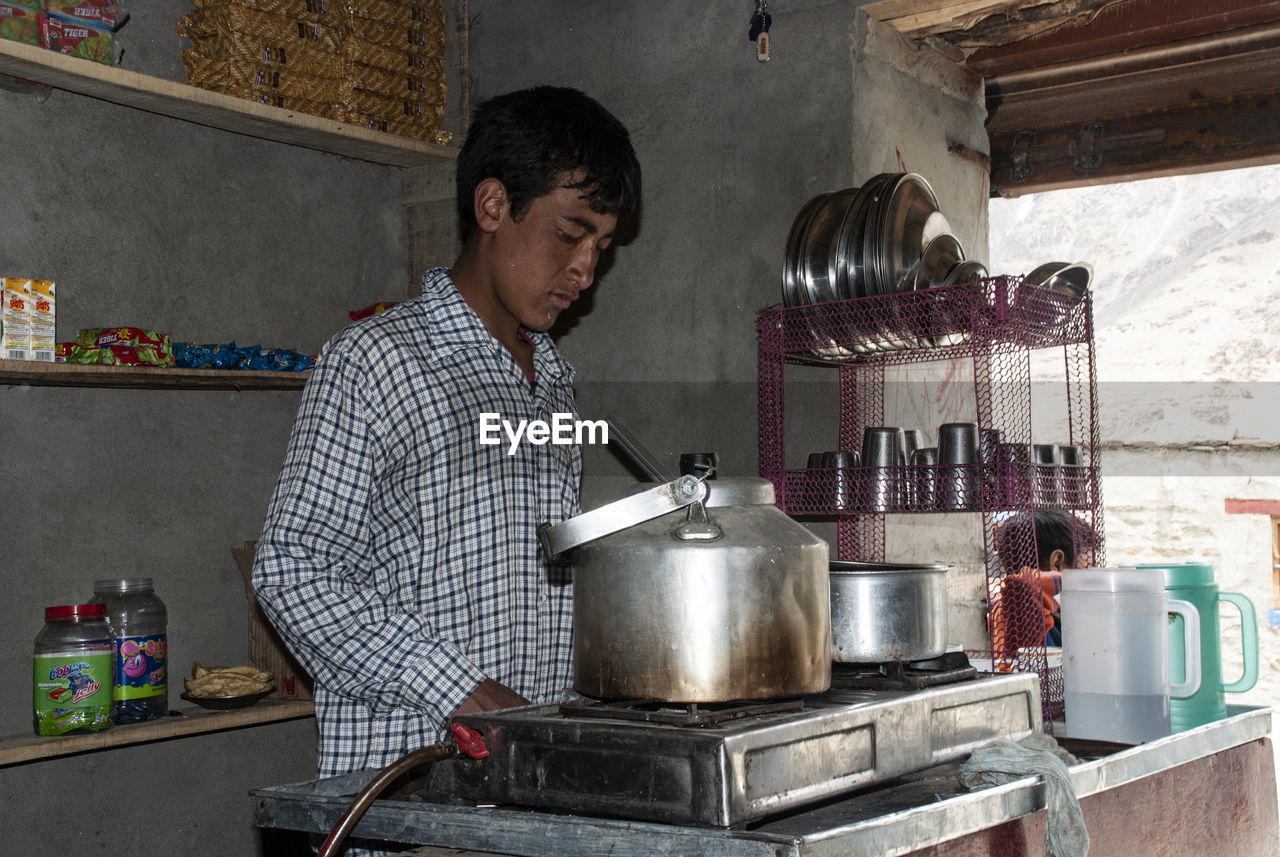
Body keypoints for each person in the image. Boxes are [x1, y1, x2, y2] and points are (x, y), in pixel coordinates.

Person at [251, 86, 642, 797]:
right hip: (411, 787)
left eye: (602, 247)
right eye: (570, 233)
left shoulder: (552, 385)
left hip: (529, 788)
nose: (586, 271)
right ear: (493, 206)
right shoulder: (376, 361)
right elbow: (294, 571)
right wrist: (462, 688)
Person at [989, 509, 1100, 653]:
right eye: (1088, 568)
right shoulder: (1026, 612)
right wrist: (1076, 581)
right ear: (1057, 563)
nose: (1094, 578)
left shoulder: (1053, 613)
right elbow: (1026, 585)